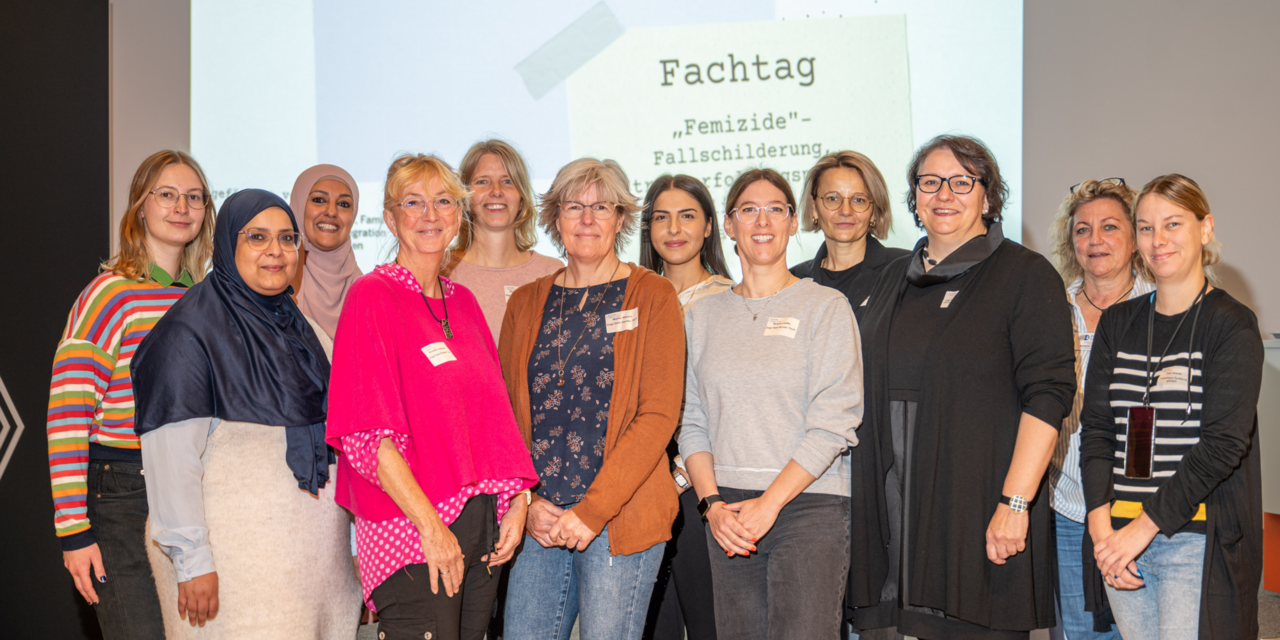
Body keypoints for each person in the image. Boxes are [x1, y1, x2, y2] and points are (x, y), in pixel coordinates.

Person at [848, 135, 1076, 639]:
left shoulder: (1026, 275)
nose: (943, 194)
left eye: (961, 181)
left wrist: (1016, 504)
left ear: (988, 197)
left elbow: (1049, 396)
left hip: (978, 516)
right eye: (929, 182)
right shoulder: (888, 281)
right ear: (914, 199)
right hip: (890, 529)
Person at [326, 154, 539, 640]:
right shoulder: (371, 297)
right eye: (413, 203)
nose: (430, 215)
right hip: (412, 529)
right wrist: (431, 527)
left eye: (443, 202)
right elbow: (368, 436)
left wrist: (518, 502)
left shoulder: (461, 302)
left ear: (459, 217)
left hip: (479, 525)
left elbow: (495, 419)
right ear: (389, 218)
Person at [132, 189, 361, 639]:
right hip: (234, 572)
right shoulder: (189, 332)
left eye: (287, 238)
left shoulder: (302, 327)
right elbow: (171, 463)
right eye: (257, 237)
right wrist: (192, 561)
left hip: (314, 573)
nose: (276, 252)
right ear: (226, 245)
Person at [498, 158, 684, 640]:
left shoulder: (654, 295)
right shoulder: (524, 302)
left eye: (601, 206)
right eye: (573, 206)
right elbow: (507, 416)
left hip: (620, 518)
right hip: (540, 518)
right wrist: (527, 499)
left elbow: (659, 415)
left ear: (620, 219)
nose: (587, 218)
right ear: (554, 218)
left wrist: (592, 511)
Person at [678, 168, 862, 640]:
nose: (763, 221)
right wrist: (712, 506)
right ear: (729, 225)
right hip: (728, 516)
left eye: (775, 209)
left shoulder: (825, 306)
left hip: (809, 506)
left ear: (794, 221)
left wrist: (770, 504)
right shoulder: (701, 317)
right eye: (749, 210)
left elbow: (834, 423)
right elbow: (692, 422)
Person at [1081, 174, 1263, 640]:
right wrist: (1102, 530)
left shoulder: (1231, 325)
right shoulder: (1119, 323)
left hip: (1191, 540)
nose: (1157, 240)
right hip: (1118, 540)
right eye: (1145, 227)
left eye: (1173, 224)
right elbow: (1098, 430)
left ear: (1205, 229)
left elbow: (1222, 446)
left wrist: (1140, 530)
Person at [45, 149, 214, 640]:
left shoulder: (205, 299)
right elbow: (68, 414)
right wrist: (74, 531)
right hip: (122, 492)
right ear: (141, 206)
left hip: (189, 493)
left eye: (194, 197)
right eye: (167, 195)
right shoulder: (109, 294)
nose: (181, 207)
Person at [1046, 178, 1153, 639]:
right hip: (1068, 506)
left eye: (1110, 227)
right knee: (1083, 634)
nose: (1095, 241)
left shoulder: (1160, 307)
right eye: (1083, 230)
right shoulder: (1051, 308)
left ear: (1134, 238)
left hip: (1144, 514)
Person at [637, 174, 732, 640]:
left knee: (712, 623)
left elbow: (727, 404)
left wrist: (681, 475)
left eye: (688, 215)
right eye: (661, 217)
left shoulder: (732, 299)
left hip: (704, 485)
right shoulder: (630, 298)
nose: (674, 228)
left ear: (710, 226)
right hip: (638, 484)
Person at [446, 139, 562, 343]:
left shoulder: (552, 272)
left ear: (522, 198)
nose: (496, 191)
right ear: (464, 197)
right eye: (482, 181)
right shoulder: (443, 271)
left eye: (507, 181)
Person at [789, 151, 909, 314]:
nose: (845, 211)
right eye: (832, 198)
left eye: (858, 200)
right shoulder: (793, 280)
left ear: (874, 212)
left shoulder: (906, 270)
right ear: (814, 208)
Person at [288, 163, 363, 355]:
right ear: (298, 205)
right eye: (319, 200)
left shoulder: (366, 292)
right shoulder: (277, 285)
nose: (331, 212)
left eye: (344, 204)